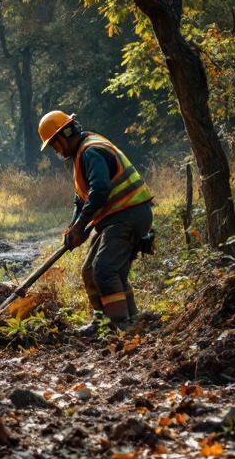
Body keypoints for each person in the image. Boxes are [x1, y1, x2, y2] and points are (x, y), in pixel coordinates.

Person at [38, 110, 154, 333]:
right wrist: (74, 227)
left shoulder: (91, 151)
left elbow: (100, 190)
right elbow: (81, 200)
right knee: (91, 270)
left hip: (128, 214)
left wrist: (81, 226)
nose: (56, 151)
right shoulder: (83, 153)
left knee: (104, 270)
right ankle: (109, 321)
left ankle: (121, 326)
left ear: (63, 136)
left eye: (55, 145)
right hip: (118, 217)